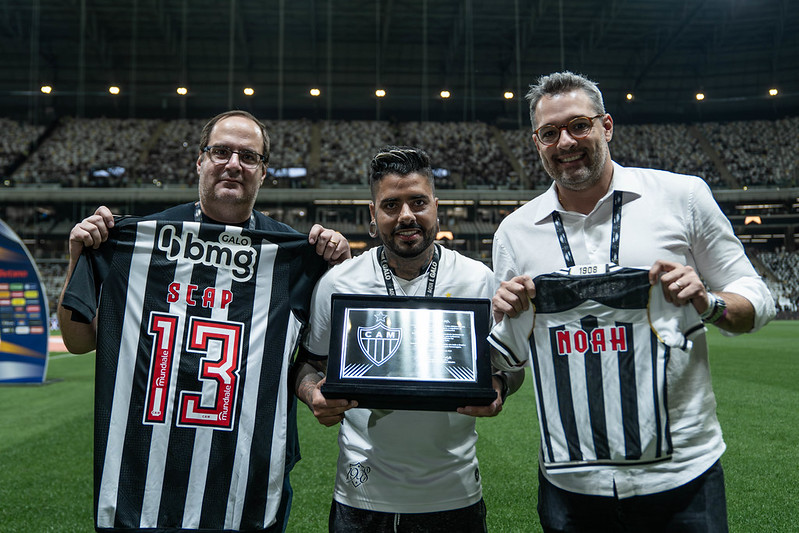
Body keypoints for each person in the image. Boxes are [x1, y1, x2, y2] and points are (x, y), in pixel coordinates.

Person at [488, 71, 776, 532]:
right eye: (550, 132)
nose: (565, 142)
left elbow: (756, 297)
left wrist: (709, 303)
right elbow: (507, 356)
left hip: (682, 474)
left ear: (606, 126)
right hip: (571, 484)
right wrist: (503, 318)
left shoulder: (681, 196)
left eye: (579, 125)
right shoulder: (515, 233)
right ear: (536, 142)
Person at [57, 110, 350, 532]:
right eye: (221, 151)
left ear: (263, 172)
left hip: (245, 477)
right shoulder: (138, 241)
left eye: (249, 157)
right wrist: (76, 256)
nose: (234, 164)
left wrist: (340, 265)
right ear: (200, 160)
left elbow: (321, 355)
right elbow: (79, 341)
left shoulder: (295, 260)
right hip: (143, 473)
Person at [292, 146, 524, 532]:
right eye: (391, 205)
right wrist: (311, 391)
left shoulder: (478, 279)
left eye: (418, 202)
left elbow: (510, 365)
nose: (406, 216)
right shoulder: (338, 282)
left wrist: (499, 385)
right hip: (360, 494)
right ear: (372, 213)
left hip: (454, 492)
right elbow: (310, 362)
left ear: (436, 205)